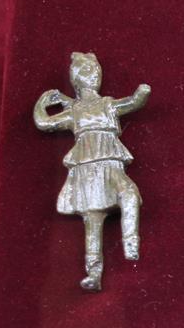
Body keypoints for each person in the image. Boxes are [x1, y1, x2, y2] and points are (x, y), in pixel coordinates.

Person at [33, 52, 150, 290]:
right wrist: (41, 103)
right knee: (92, 224)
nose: (94, 75)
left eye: (96, 71)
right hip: (86, 170)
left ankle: (130, 242)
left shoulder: (107, 104)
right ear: (77, 79)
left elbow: (131, 103)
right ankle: (93, 275)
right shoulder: (74, 111)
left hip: (110, 163)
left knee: (129, 192)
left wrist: (141, 94)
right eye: (88, 72)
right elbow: (44, 123)